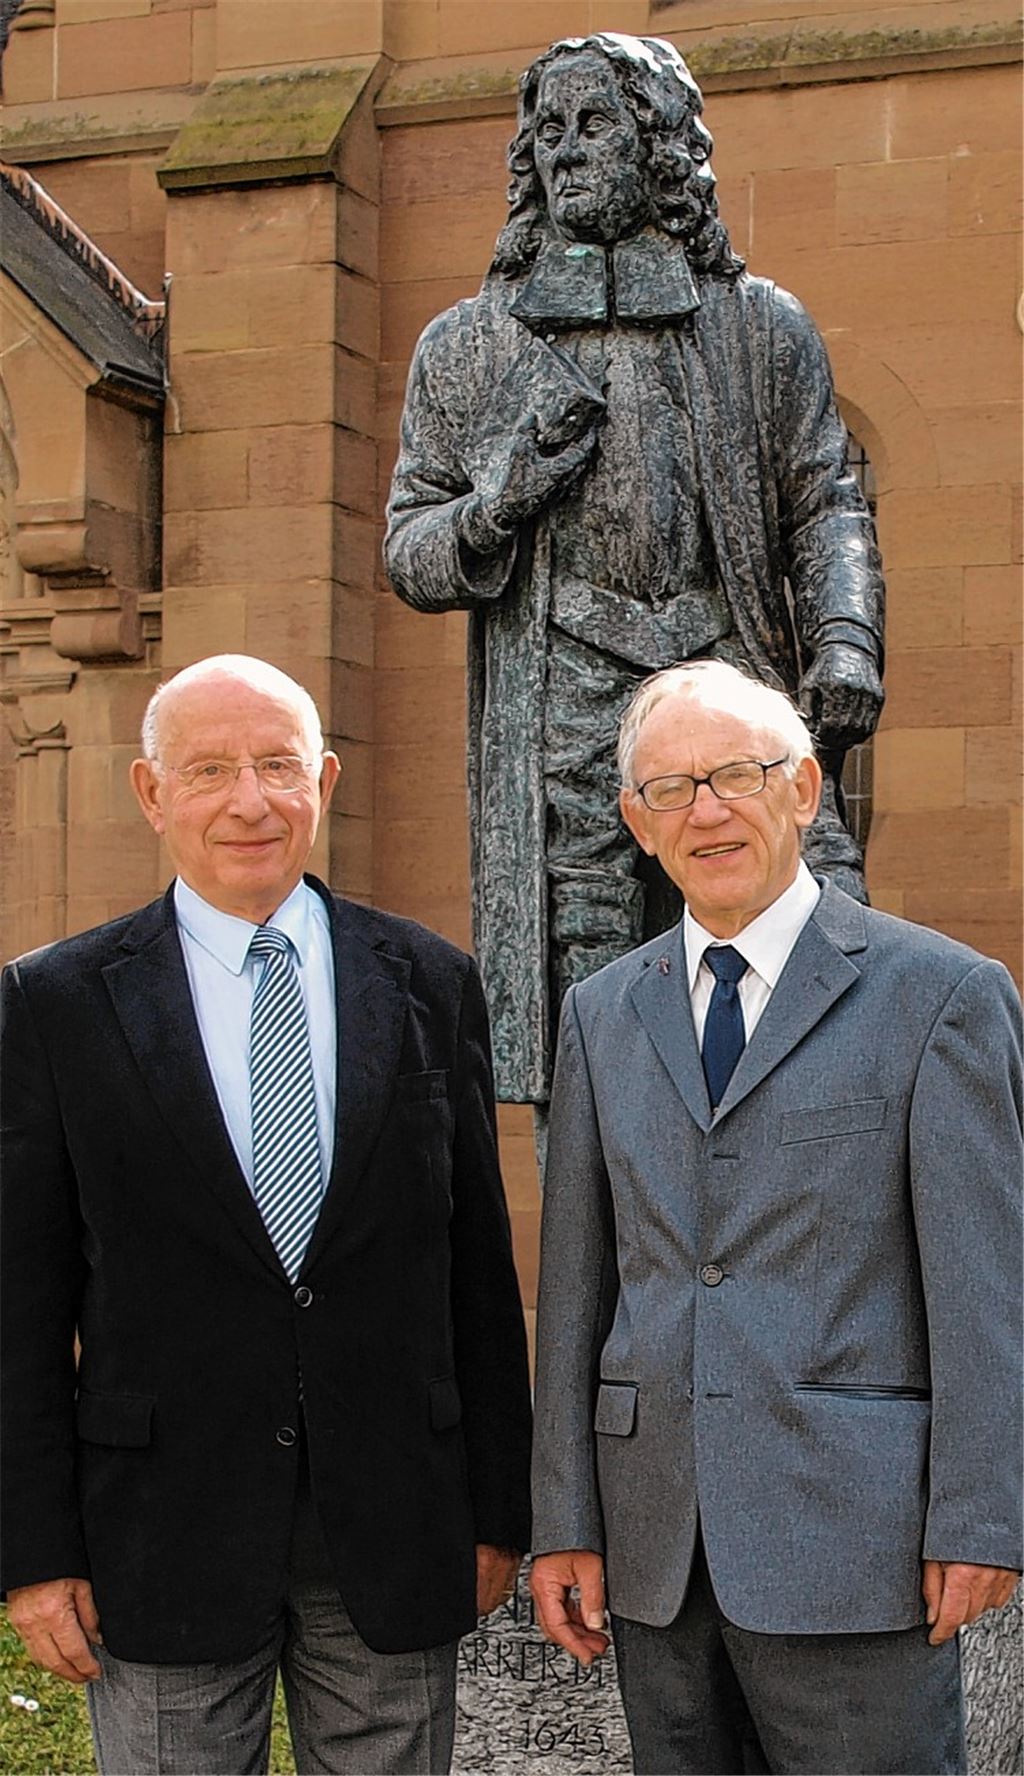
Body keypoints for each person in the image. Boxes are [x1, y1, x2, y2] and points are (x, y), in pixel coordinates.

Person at [1, 654, 532, 1776]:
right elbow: (24, 1298)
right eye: (209, 771)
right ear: (151, 794)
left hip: (390, 1525)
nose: (250, 800)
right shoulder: (54, 1003)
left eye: (278, 766)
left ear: (325, 781)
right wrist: (32, 1552)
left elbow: (477, 1268)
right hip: (157, 1533)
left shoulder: (431, 981)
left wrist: (498, 1511)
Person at [529, 659, 1021, 1775]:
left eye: (735, 776)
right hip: (655, 1547)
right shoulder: (602, 1014)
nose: (705, 811)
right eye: (670, 788)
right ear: (635, 821)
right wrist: (564, 1513)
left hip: (859, 1546)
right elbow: (576, 1289)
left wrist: (982, 1522)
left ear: (803, 789)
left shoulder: (940, 997)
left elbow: (986, 1290)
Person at [385, 32, 885, 1107]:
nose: (565, 153)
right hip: (565, 721)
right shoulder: (470, 346)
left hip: (735, 697)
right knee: (591, 1031)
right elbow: (410, 550)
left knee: (814, 974)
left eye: (596, 125)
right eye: (547, 133)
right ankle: (599, 1275)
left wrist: (844, 639)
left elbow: (826, 499)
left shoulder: (757, 328)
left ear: (660, 149)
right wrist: (496, 505)